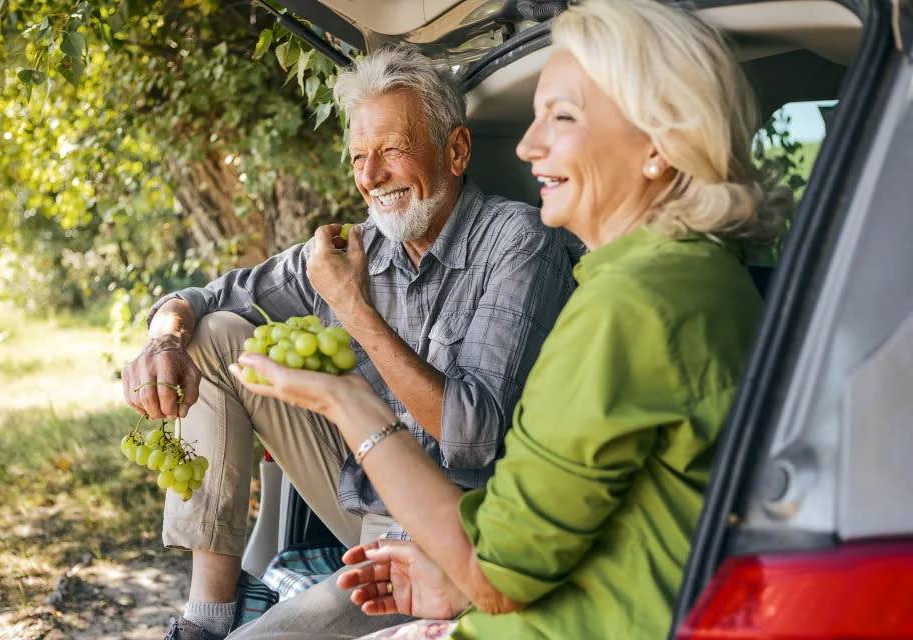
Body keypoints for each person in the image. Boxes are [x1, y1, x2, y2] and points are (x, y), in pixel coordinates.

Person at [230, 0, 791, 638]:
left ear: (658, 145)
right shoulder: (699, 273)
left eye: (564, 117)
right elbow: (610, 531)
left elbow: (493, 577)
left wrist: (348, 402)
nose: (528, 144)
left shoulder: (630, 304)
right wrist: (452, 583)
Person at [121, 45, 575, 640]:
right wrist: (164, 339)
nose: (369, 177)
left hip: (454, 539)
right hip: (364, 502)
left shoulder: (517, 241)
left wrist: (353, 307)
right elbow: (207, 297)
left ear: (456, 150)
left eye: (391, 150)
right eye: (360, 156)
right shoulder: (356, 245)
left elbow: (473, 435)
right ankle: (210, 613)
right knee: (214, 337)